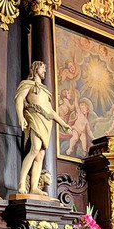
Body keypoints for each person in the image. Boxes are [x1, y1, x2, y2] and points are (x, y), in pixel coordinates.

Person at [15, 61, 71, 195]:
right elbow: (19, 100)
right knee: (35, 148)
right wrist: (20, 117)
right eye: (42, 68)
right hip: (35, 116)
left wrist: (62, 124)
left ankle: (34, 187)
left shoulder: (45, 90)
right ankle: (22, 182)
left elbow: (50, 110)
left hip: (46, 121)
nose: (44, 71)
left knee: (40, 154)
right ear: (35, 69)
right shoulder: (27, 84)